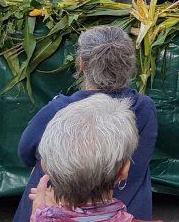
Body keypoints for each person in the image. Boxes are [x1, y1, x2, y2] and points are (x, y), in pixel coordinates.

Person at [14, 26, 157, 222]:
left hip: (58, 203)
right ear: (130, 64)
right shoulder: (146, 107)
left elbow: (26, 152)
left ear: (81, 64)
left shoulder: (59, 109)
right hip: (127, 203)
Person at [26, 94, 141, 222]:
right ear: (124, 170)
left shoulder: (40, 216)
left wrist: (40, 217)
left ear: (45, 165)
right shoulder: (146, 104)